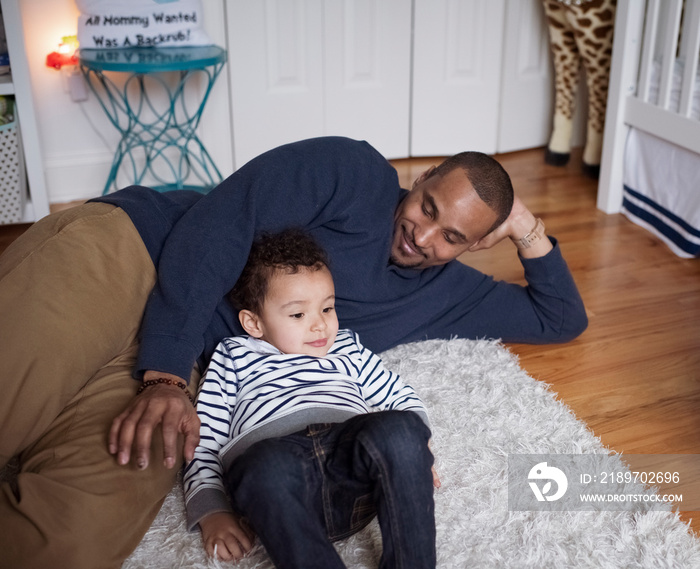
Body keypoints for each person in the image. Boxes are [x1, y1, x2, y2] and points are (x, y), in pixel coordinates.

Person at [0, 136, 586, 568]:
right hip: (137, 262)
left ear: (477, 244)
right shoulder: (354, 172)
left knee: (66, 542)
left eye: (453, 237)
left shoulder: (451, 291)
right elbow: (224, 218)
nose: (423, 237)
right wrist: (165, 374)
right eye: (428, 207)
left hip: (198, 368)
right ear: (425, 175)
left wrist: (525, 227)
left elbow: (561, 318)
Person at [184, 229, 438, 568]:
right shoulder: (234, 355)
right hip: (281, 481)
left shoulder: (347, 347)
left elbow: (398, 395)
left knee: (400, 429)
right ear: (254, 322)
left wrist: (413, 453)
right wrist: (212, 511)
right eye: (298, 315)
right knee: (261, 466)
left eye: (328, 308)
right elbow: (203, 437)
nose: (320, 326)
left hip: (353, 469)